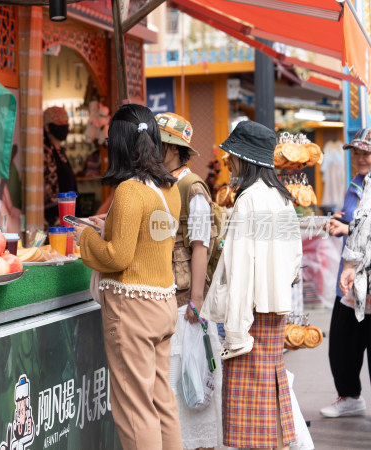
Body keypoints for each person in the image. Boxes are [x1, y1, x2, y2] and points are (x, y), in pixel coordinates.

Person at [73, 104, 182, 450]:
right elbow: (152, 237)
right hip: (164, 303)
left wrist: (86, 238)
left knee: (134, 407)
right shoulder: (170, 188)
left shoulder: (129, 191)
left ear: (119, 144)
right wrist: (111, 226)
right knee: (161, 399)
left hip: (132, 308)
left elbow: (117, 257)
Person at [201, 120, 302, 450]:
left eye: (232, 157)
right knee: (270, 397)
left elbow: (241, 272)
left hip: (250, 316)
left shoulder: (247, 201)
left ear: (245, 159)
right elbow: (294, 262)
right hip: (274, 312)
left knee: (247, 418)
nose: (229, 162)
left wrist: (236, 332)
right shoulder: (283, 199)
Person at [157, 112, 223, 449]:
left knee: (189, 378)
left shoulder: (191, 186)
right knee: (175, 383)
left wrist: (196, 298)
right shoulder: (163, 183)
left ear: (171, 149)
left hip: (186, 302)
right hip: (169, 296)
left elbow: (200, 245)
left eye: (157, 143)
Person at [327, 128, 371, 417]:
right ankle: (350, 397)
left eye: (366, 152)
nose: (360, 157)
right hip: (351, 277)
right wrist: (340, 221)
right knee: (341, 344)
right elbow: (354, 217)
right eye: (356, 152)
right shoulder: (357, 182)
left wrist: (349, 227)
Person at [43, 106, 77, 228]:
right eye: (59, 122)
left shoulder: (60, 152)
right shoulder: (45, 153)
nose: (64, 125)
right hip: (54, 223)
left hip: (67, 217)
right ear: (47, 127)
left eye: (66, 122)